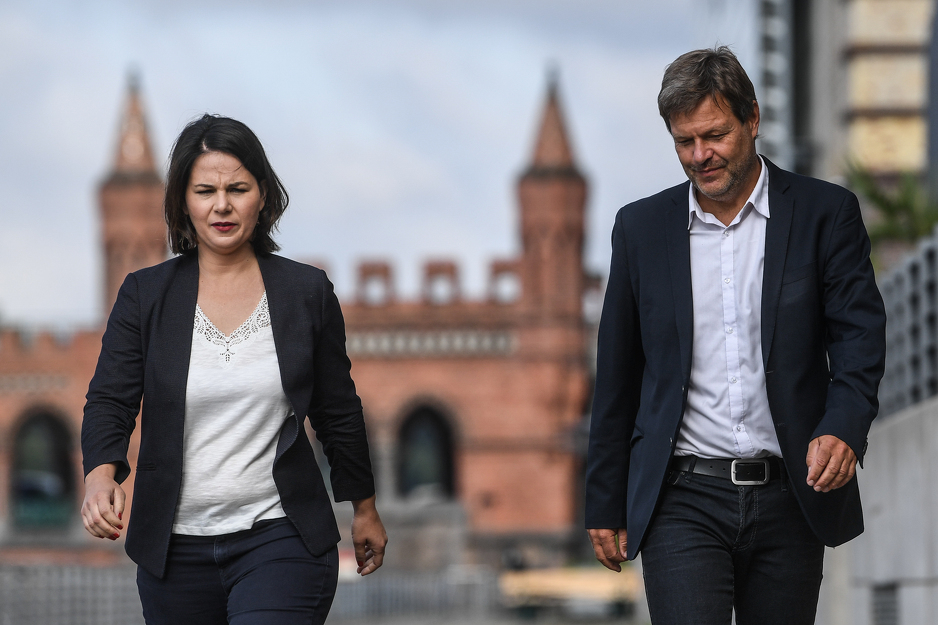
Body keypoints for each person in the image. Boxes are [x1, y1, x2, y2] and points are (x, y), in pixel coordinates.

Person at [585, 47, 886, 625]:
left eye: (714, 135)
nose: (701, 156)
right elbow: (617, 372)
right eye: (684, 142)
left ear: (752, 119)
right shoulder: (641, 230)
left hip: (792, 494)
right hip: (682, 497)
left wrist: (844, 427)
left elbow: (859, 336)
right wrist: (605, 498)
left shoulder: (828, 214)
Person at [80, 114, 387, 625]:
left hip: (282, 538)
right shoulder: (144, 295)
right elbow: (110, 398)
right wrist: (99, 477)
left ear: (262, 196)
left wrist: (365, 506)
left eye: (237, 188)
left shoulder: (305, 293)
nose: (221, 204)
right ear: (183, 201)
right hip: (173, 555)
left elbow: (337, 412)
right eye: (205, 190)